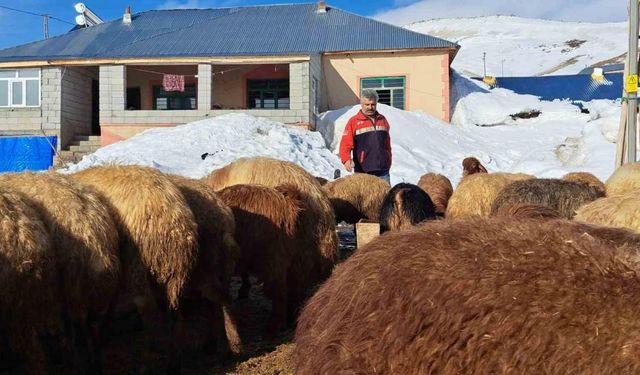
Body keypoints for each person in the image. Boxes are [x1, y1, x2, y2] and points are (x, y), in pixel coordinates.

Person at [339, 89, 392, 183]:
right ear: (361, 104)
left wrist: (388, 159)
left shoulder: (383, 120)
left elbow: (387, 143)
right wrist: (346, 159)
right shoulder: (354, 121)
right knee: (363, 198)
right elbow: (345, 143)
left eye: (373, 104)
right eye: (367, 104)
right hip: (363, 171)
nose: (370, 107)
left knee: (385, 197)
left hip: (383, 171)